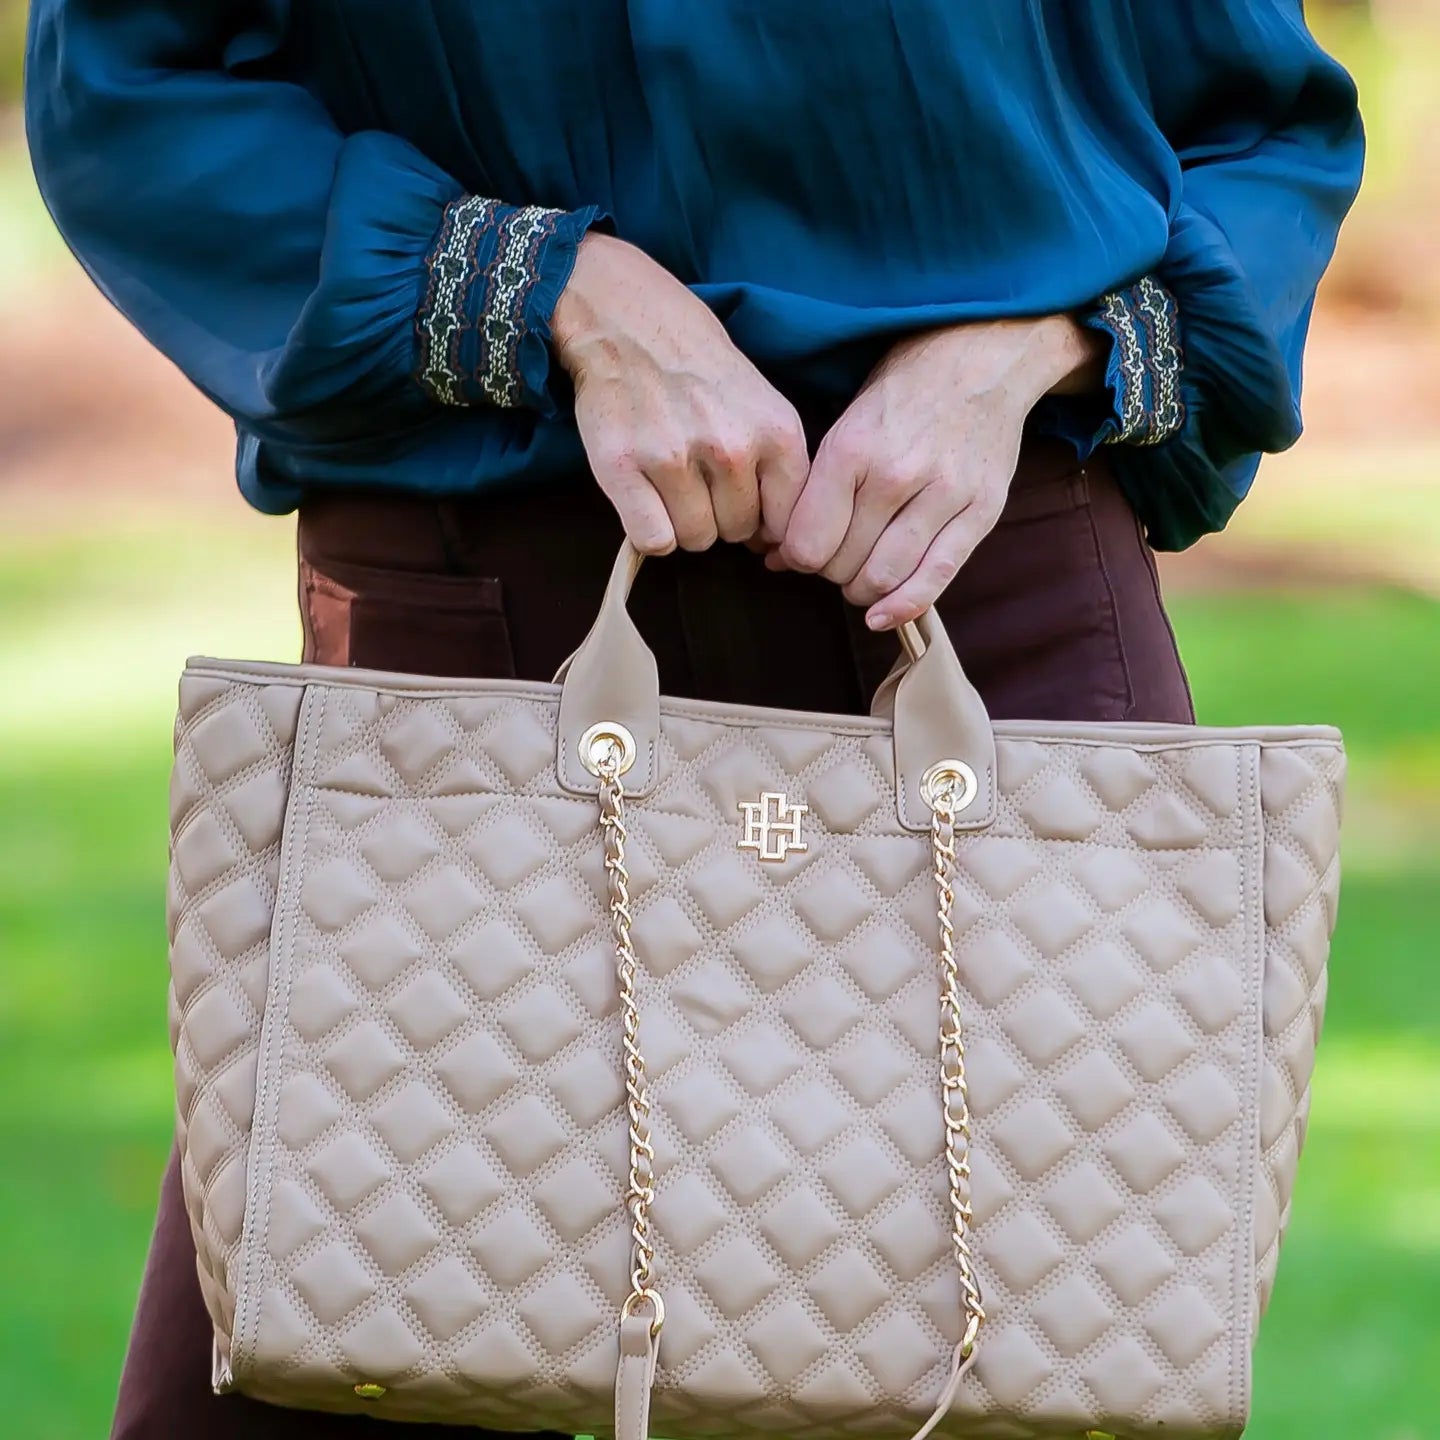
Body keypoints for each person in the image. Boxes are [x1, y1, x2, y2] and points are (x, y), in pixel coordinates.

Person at [25, 3, 1362, 1437]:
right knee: (334, 1306)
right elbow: (130, 87)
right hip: (478, 633)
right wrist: (549, 289)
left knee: (1056, 1358)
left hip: (986, 604)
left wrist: (1038, 347)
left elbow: (1258, 127)